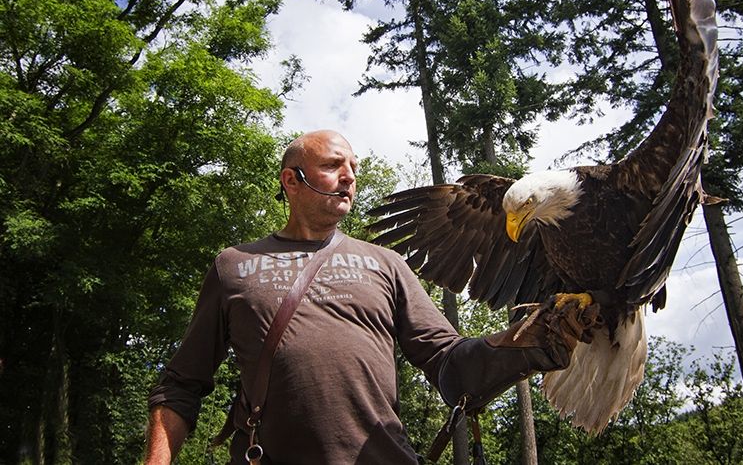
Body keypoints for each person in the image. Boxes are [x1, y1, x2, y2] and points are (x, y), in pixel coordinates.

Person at [144, 129, 598, 465]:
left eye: (354, 169)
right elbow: (182, 383)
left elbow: (449, 363)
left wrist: (526, 342)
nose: (348, 177)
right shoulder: (235, 264)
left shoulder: (385, 263)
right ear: (292, 180)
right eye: (333, 166)